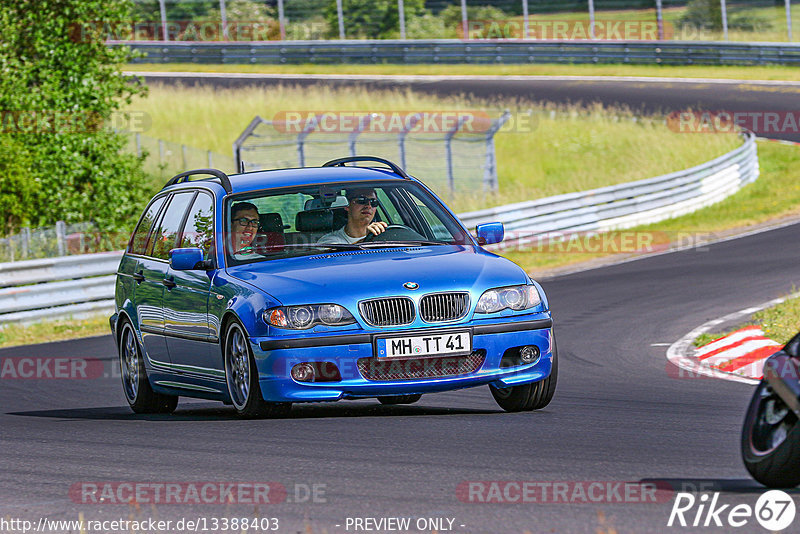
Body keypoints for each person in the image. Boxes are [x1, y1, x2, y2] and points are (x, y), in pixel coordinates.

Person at [318, 188, 387, 244]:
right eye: (361, 200)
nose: (368, 206)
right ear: (347, 205)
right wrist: (367, 240)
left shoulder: (384, 236)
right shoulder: (328, 240)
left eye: (373, 202)